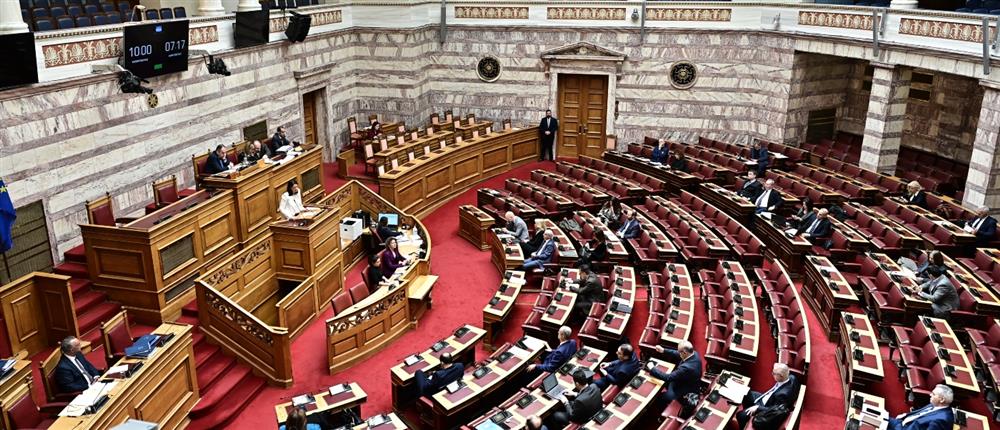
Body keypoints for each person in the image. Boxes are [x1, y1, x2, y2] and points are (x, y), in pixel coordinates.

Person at [736, 363, 800, 429]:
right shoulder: (792, 377)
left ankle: (745, 422)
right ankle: (748, 411)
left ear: (781, 376)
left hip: (766, 406)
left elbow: (775, 411)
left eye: (774, 373)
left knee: (740, 415)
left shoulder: (782, 395)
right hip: (768, 398)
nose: (772, 374)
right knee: (746, 393)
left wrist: (757, 408)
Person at [650, 341, 703, 406]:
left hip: (684, 389)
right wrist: (663, 350)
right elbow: (677, 354)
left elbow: (668, 377)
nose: (678, 353)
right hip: (685, 381)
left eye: (679, 351)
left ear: (684, 352)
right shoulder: (694, 353)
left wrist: (652, 369)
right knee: (663, 380)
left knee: (665, 397)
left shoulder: (686, 368)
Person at [887, 384, 955, 430]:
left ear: (942, 400)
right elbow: (920, 414)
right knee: (882, 416)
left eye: (933, 394)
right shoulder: (936, 404)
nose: (930, 395)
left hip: (903, 427)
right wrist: (906, 415)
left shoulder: (941, 421)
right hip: (902, 423)